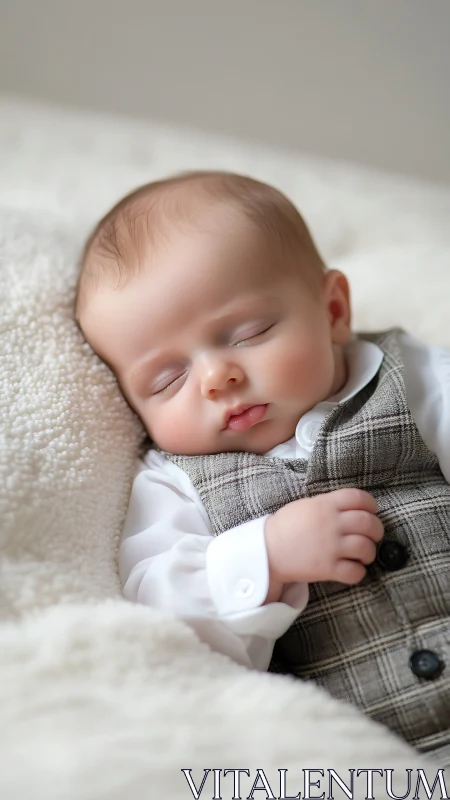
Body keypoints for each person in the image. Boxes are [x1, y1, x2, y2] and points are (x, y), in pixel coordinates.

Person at [75, 171, 450, 763]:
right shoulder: (175, 483)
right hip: (358, 755)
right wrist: (264, 556)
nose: (215, 378)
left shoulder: (414, 378)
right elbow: (160, 613)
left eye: (248, 333)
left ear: (333, 310)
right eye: (167, 379)